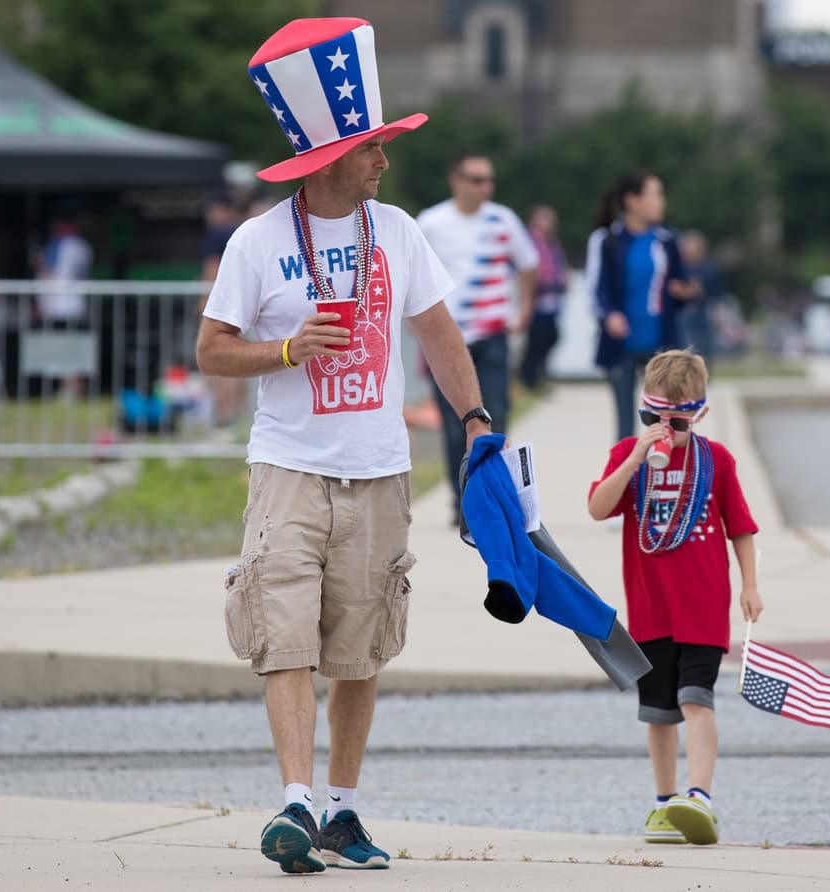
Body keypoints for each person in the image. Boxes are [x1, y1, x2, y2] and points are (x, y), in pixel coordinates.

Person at [195, 17, 492, 876]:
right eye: (372, 147)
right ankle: (294, 802)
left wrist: (476, 423)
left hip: (379, 470)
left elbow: (439, 335)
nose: (383, 161)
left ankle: (340, 811)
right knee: (284, 635)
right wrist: (288, 350)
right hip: (288, 468)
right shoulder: (258, 241)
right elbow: (212, 350)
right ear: (330, 157)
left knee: (361, 650)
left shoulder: (396, 230)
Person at [587, 348, 762, 846]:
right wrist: (635, 458)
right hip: (650, 607)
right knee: (659, 711)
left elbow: (740, 527)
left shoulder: (717, 460)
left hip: (704, 606)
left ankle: (699, 796)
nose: (665, 430)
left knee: (696, 701)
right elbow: (598, 508)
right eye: (653, 418)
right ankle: (665, 803)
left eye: (677, 423)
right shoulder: (628, 455)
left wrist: (750, 585)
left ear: (699, 415)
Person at [416, 151, 538, 522]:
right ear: (456, 181)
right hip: (447, 340)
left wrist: (524, 308)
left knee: (495, 417)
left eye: (489, 179)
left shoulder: (503, 219)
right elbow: (411, 274)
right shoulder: (431, 222)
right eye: (477, 179)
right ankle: (462, 502)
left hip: (493, 335)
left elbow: (529, 264)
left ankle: (495, 500)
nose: (486, 186)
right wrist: (417, 327)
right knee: (455, 428)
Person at [592, 170, 695, 441]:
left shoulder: (666, 241)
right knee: (626, 429)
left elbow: (681, 285)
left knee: (667, 426)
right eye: (655, 195)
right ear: (632, 200)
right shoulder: (608, 241)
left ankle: (663, 468)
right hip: (621, 345)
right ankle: (627, 468)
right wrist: (609, 316)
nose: (661, 201)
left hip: (661, 346)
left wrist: (683, 291)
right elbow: (597, 291)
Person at [197, 190, 245, 427]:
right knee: (241, 359)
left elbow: (212, 268)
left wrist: (203, 301)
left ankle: (223, 413)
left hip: (222, 304)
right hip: (244, 304)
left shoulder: (217, 235)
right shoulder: (244, 230)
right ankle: (236, 413)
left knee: (220, 359)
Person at [35, 204, 93, 397]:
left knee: (63, 347)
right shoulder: (83, 247)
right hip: (75, 304)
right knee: (73, 346)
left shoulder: (58, 245)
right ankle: (75, 386)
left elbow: (47, 272)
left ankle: (70, 387)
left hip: (58, 305)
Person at [518, 204, 568, 392]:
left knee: (550, 337)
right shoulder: (528, 242)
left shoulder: (551, 244)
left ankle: (536, 376)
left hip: (551, 302)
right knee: (536, 341)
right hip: (536, 302)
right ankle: (528, 379)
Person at [678, 230, 721, 360]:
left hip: (703, 311)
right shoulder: (680, 268)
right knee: (686, 348)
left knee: (704, 348)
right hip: (683, 311)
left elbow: (716, 294)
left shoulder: (709, 268)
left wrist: (716, 313)